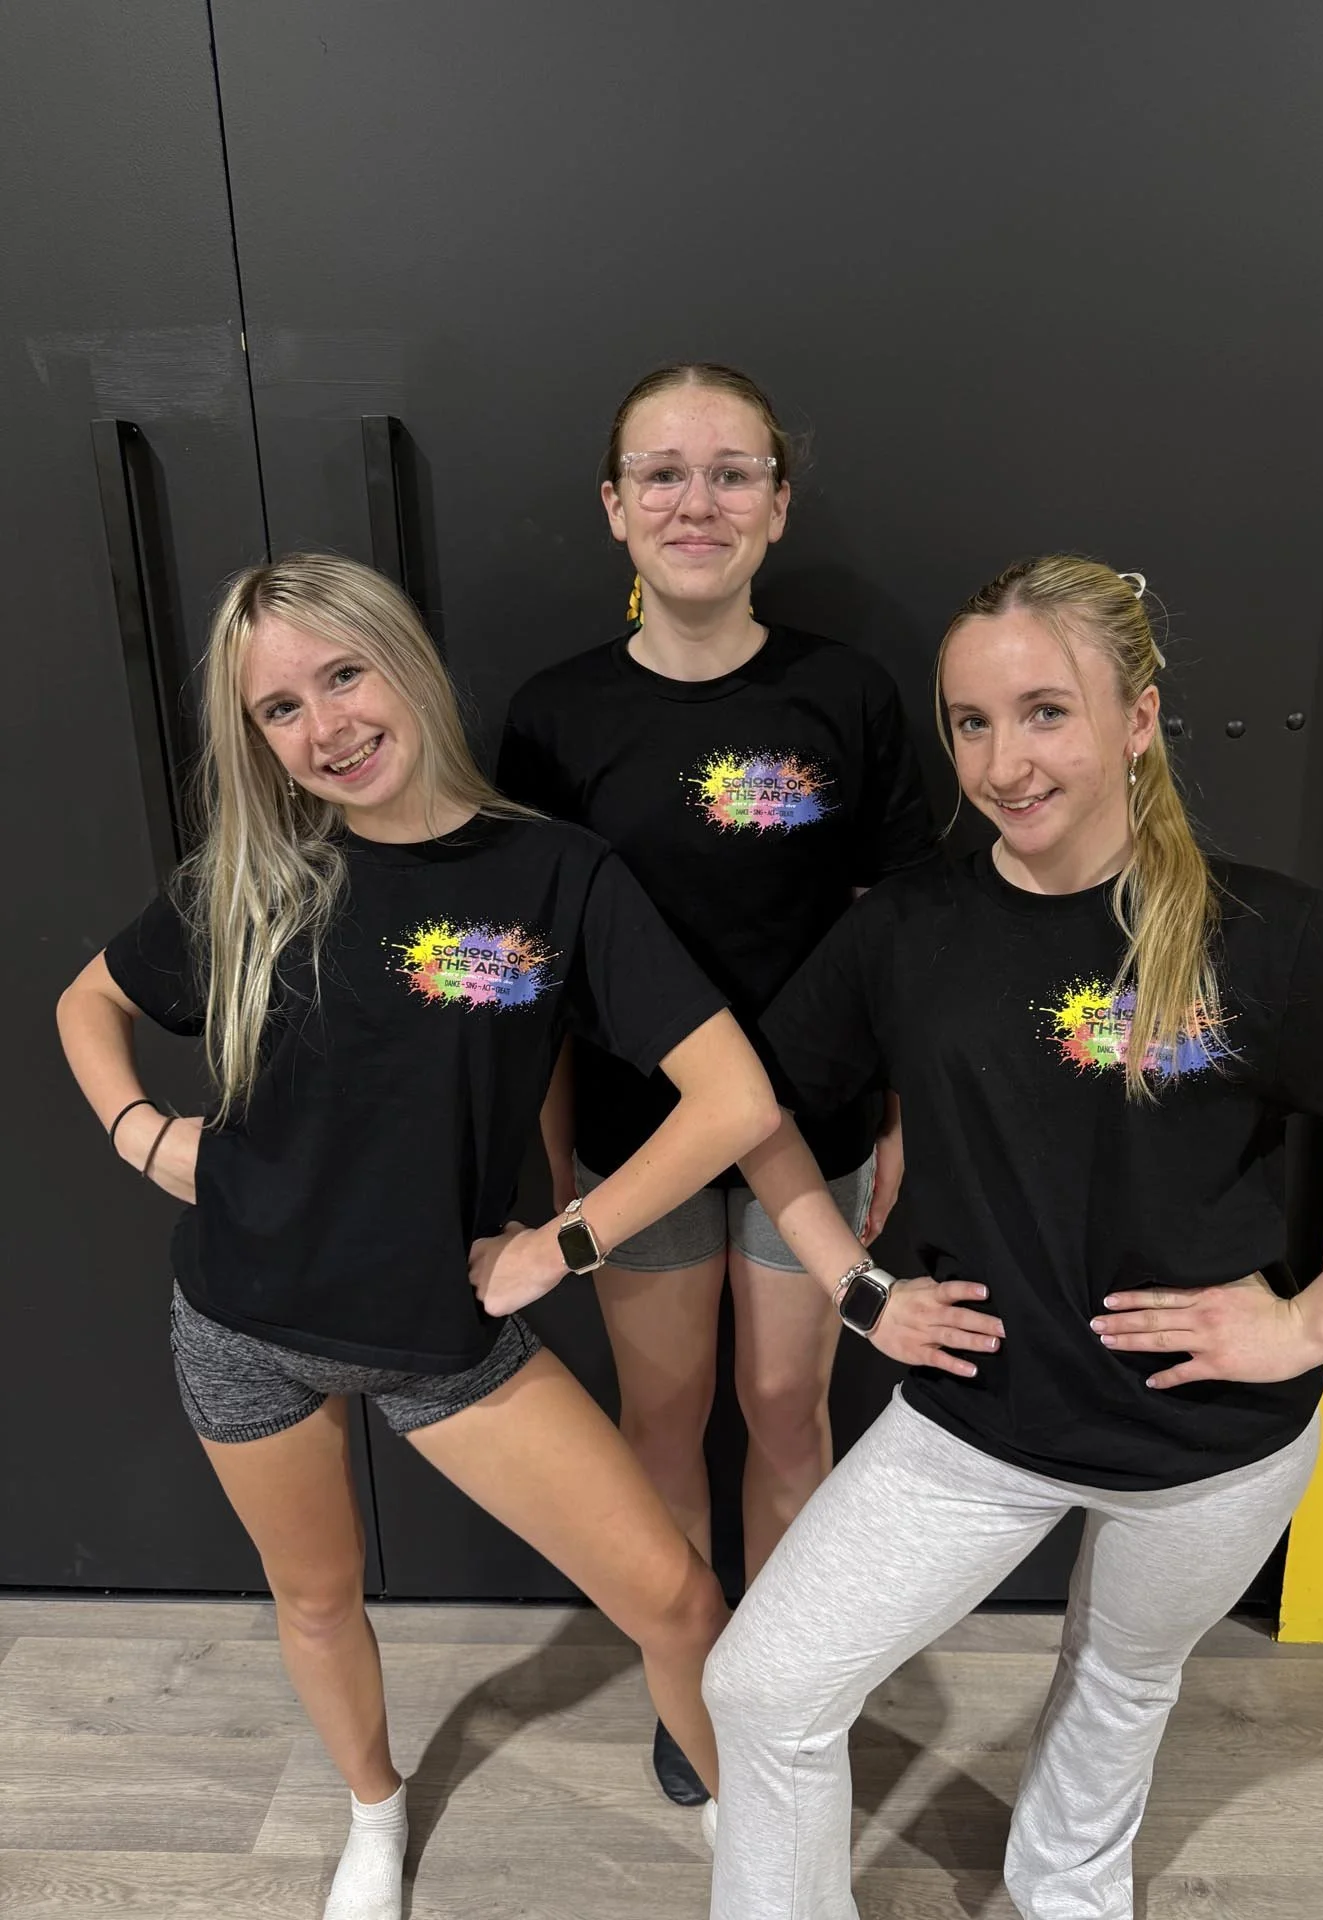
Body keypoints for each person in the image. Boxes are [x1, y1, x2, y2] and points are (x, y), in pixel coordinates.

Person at [702, 554, 1323, 1919]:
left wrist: (1309, 1323)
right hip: (975, 1421)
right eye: (972, 723)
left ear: (1138, 718)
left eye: (1046, 712)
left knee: (1121, 1680)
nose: (1005, 762)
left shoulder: (1263, 936)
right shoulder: (909, 930)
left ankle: (1068, 1892)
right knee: (763, 1690)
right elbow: (750, 1112)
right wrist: (855, 1287)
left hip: (1209, 1444)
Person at [55, 554, 781, 1920]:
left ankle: (762, 1852)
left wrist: (560, 1245)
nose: (325, 728)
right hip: (241, 1320)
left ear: (407, 663)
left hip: (443, 1334)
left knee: (681, 1603)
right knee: (318, 1600)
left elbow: (734, 1100)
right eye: (280, 709)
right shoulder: (257, 877)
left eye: (344, 675)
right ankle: (374, 1816)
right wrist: (144, 1136)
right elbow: (85, 1001)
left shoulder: (553, 873)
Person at [496, 362, 935, 1803]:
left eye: (733, 472)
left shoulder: (848, 695)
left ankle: (783, 1689)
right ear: (615, 506)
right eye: (664, 474)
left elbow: (903, 935)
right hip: (643, 1141)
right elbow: (539, 972)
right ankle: (692, 1679)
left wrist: (899, 1126)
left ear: (778, 505)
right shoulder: (554, 717)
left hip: (813, 1134)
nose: (699, 502)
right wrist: (555, 1159)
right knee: (665, 1416)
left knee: (788, 1406)